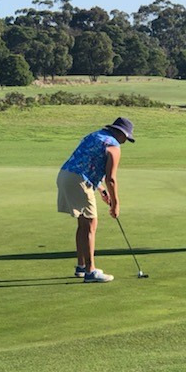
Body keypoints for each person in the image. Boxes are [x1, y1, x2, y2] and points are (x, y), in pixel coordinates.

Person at [57, 117, 135, 283]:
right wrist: (116, 203)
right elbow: (111, 178)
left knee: (83, 224)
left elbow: (87, 162)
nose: (125, 141)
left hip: (65, 175)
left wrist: (100, 190)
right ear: (120, 133)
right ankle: (91, 271)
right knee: (91, 224)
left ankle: (81, 266)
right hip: (79, 180)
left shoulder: (95, 135)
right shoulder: (113, 146)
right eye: (126, 137)